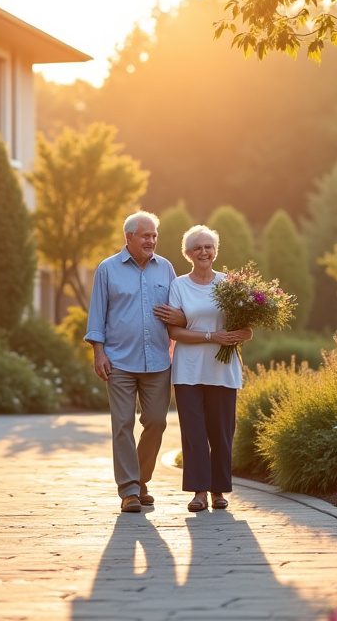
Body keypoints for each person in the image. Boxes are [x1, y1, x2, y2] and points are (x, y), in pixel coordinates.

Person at [84, 211, 186, 513]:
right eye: (146, 235)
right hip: (119, 361)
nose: (151, 240)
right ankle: (129, 491)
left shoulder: (165, 268)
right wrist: (98, 353)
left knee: (156, 421)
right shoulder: (107, 269)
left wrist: (181, 318)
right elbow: (96, 315)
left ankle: (140, 480)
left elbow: (180, 309)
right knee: (123, 424)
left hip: (157, 359)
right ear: (129, 238)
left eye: (154, 236)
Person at [166, 225, 251, 512]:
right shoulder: (178, 286)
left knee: (222, 432)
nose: (203, 251)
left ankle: (219, 491)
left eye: (208, 247)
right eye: (197, 248)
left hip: (222, 370)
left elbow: (247, 330)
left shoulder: (230, 284)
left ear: (215, 251)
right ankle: (199, 492)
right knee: (194, 433)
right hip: (188, 370)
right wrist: (211, 336)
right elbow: (174, 332)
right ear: (188, 254)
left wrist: (238, 335)